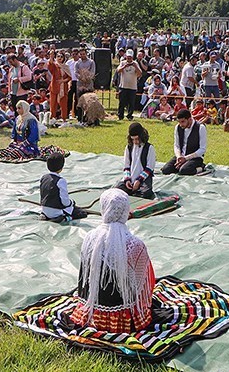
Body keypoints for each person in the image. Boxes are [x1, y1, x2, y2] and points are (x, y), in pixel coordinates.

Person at [69, 189, 155, 332]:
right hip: (122, 319)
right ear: (126, 210)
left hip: (90, 315)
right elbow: (144, 283)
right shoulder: (135, 245)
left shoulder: (90, 238)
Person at [40, 152, 88, 222]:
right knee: (82, 213)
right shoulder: (61, 181)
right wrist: (71, 203)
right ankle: (65, 218)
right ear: (61, 167)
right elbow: (65, 202)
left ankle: (46, 216)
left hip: (44, 209)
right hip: (57, 211)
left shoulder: (43, 177)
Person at [115, 122, 156, 199]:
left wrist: (139, 180)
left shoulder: (149, 148)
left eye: (137, 139)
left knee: (145, 193)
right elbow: (126, 166)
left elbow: (149, 168)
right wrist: (127, 180)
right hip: (130, 179)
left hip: (144, 179)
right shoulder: (129, 147)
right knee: (116, 191)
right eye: (132, 139)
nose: (135, 142)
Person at [161, 109, 207, 176]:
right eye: (179, 122)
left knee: (184, 171)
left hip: (195, 158)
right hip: (181, 156)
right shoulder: (177, 127)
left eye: (183, 122)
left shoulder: (200, 128)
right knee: (166, 170)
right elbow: (176, 145)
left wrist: (186, 158)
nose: (181, 124)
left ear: (190, 119)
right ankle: (182, 166)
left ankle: (201, 167)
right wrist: (178, 157)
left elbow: (202, 149)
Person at [115, 49, 141, 121]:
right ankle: (120, 116)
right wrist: (124, 66)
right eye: (128, 57)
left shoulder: (135, 63)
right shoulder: (123, 63)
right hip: (123, 86)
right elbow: (118, 71)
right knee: (122, 102)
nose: (129, 58)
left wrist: (135, 66)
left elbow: (139, 74)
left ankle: (129, 115)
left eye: (130, 57)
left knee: (131, 103)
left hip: (132, 86)